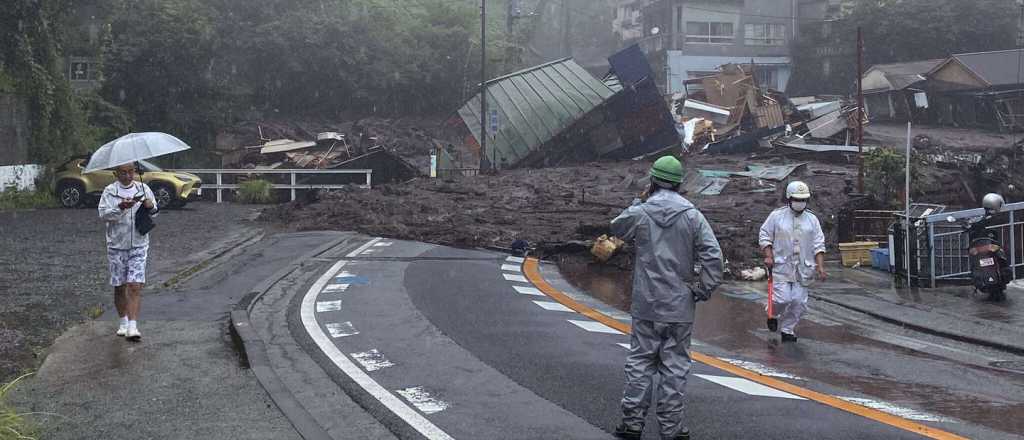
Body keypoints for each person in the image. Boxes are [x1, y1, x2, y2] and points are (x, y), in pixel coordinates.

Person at [610, 156, 724, 440]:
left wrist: (638, 202)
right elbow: (714, 257)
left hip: (646, 302)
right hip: (679, 305)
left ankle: (632, 424)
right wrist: (702, 288)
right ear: (679, 184)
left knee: (640, 362)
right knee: (675, 367)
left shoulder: (642, 212)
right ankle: (671, 429)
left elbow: (616, 228)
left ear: (653, 181)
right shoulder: (693, 216)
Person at [758, 181, 826, 343]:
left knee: (798, 302)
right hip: (781, 266)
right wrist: (768, 255)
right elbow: (765, 235)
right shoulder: (776, 216)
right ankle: (772, 313)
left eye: (803, 199)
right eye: (797, 199)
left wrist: (821, 267)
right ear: (789, 198)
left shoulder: (812, 220)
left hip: (803, 269)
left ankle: (788, 329)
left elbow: (819, 244)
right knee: (782, 299)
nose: (800, 202)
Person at [98, 162, 158, 341]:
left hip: (139, 243)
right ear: (116, 174)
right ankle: (123, 321)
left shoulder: (143, 188)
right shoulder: (109, 191)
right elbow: (103, 215)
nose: (128, 176)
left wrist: (150, 206)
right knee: (119, 286)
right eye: (123, 172)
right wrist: (120, 208)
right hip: (117, 245)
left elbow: (155, 212)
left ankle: (133, 326)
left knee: (135, 284)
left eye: (131, 172)